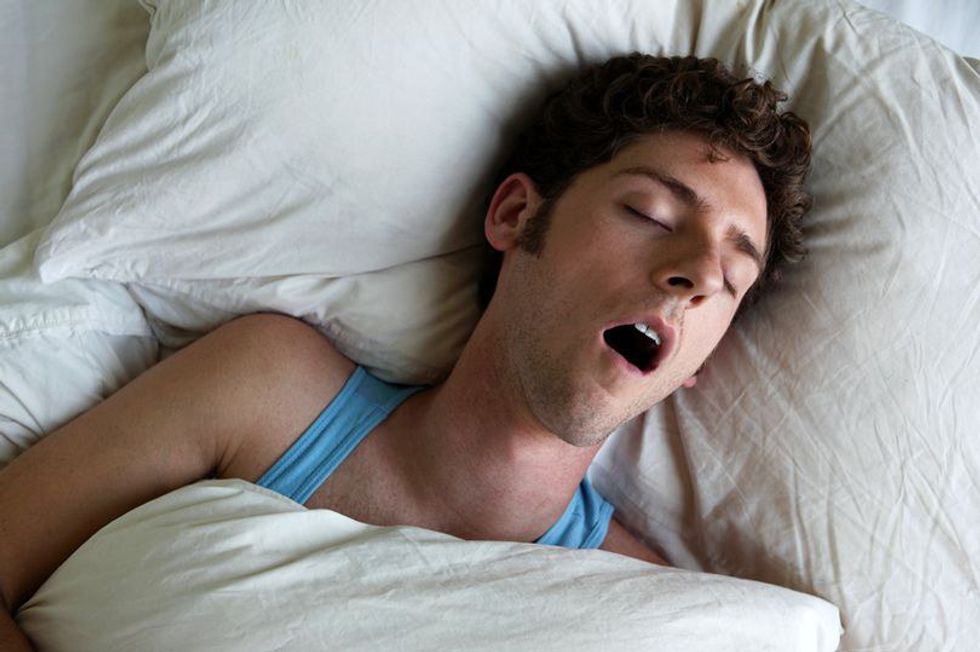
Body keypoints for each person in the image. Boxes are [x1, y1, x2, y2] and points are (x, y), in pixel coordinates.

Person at [0, 53, 811, 648]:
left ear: (700, 363)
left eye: (730, 279)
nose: (695, 275)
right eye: (651, 214)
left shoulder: (650, 611)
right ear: (516, 216)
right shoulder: (266, 392)